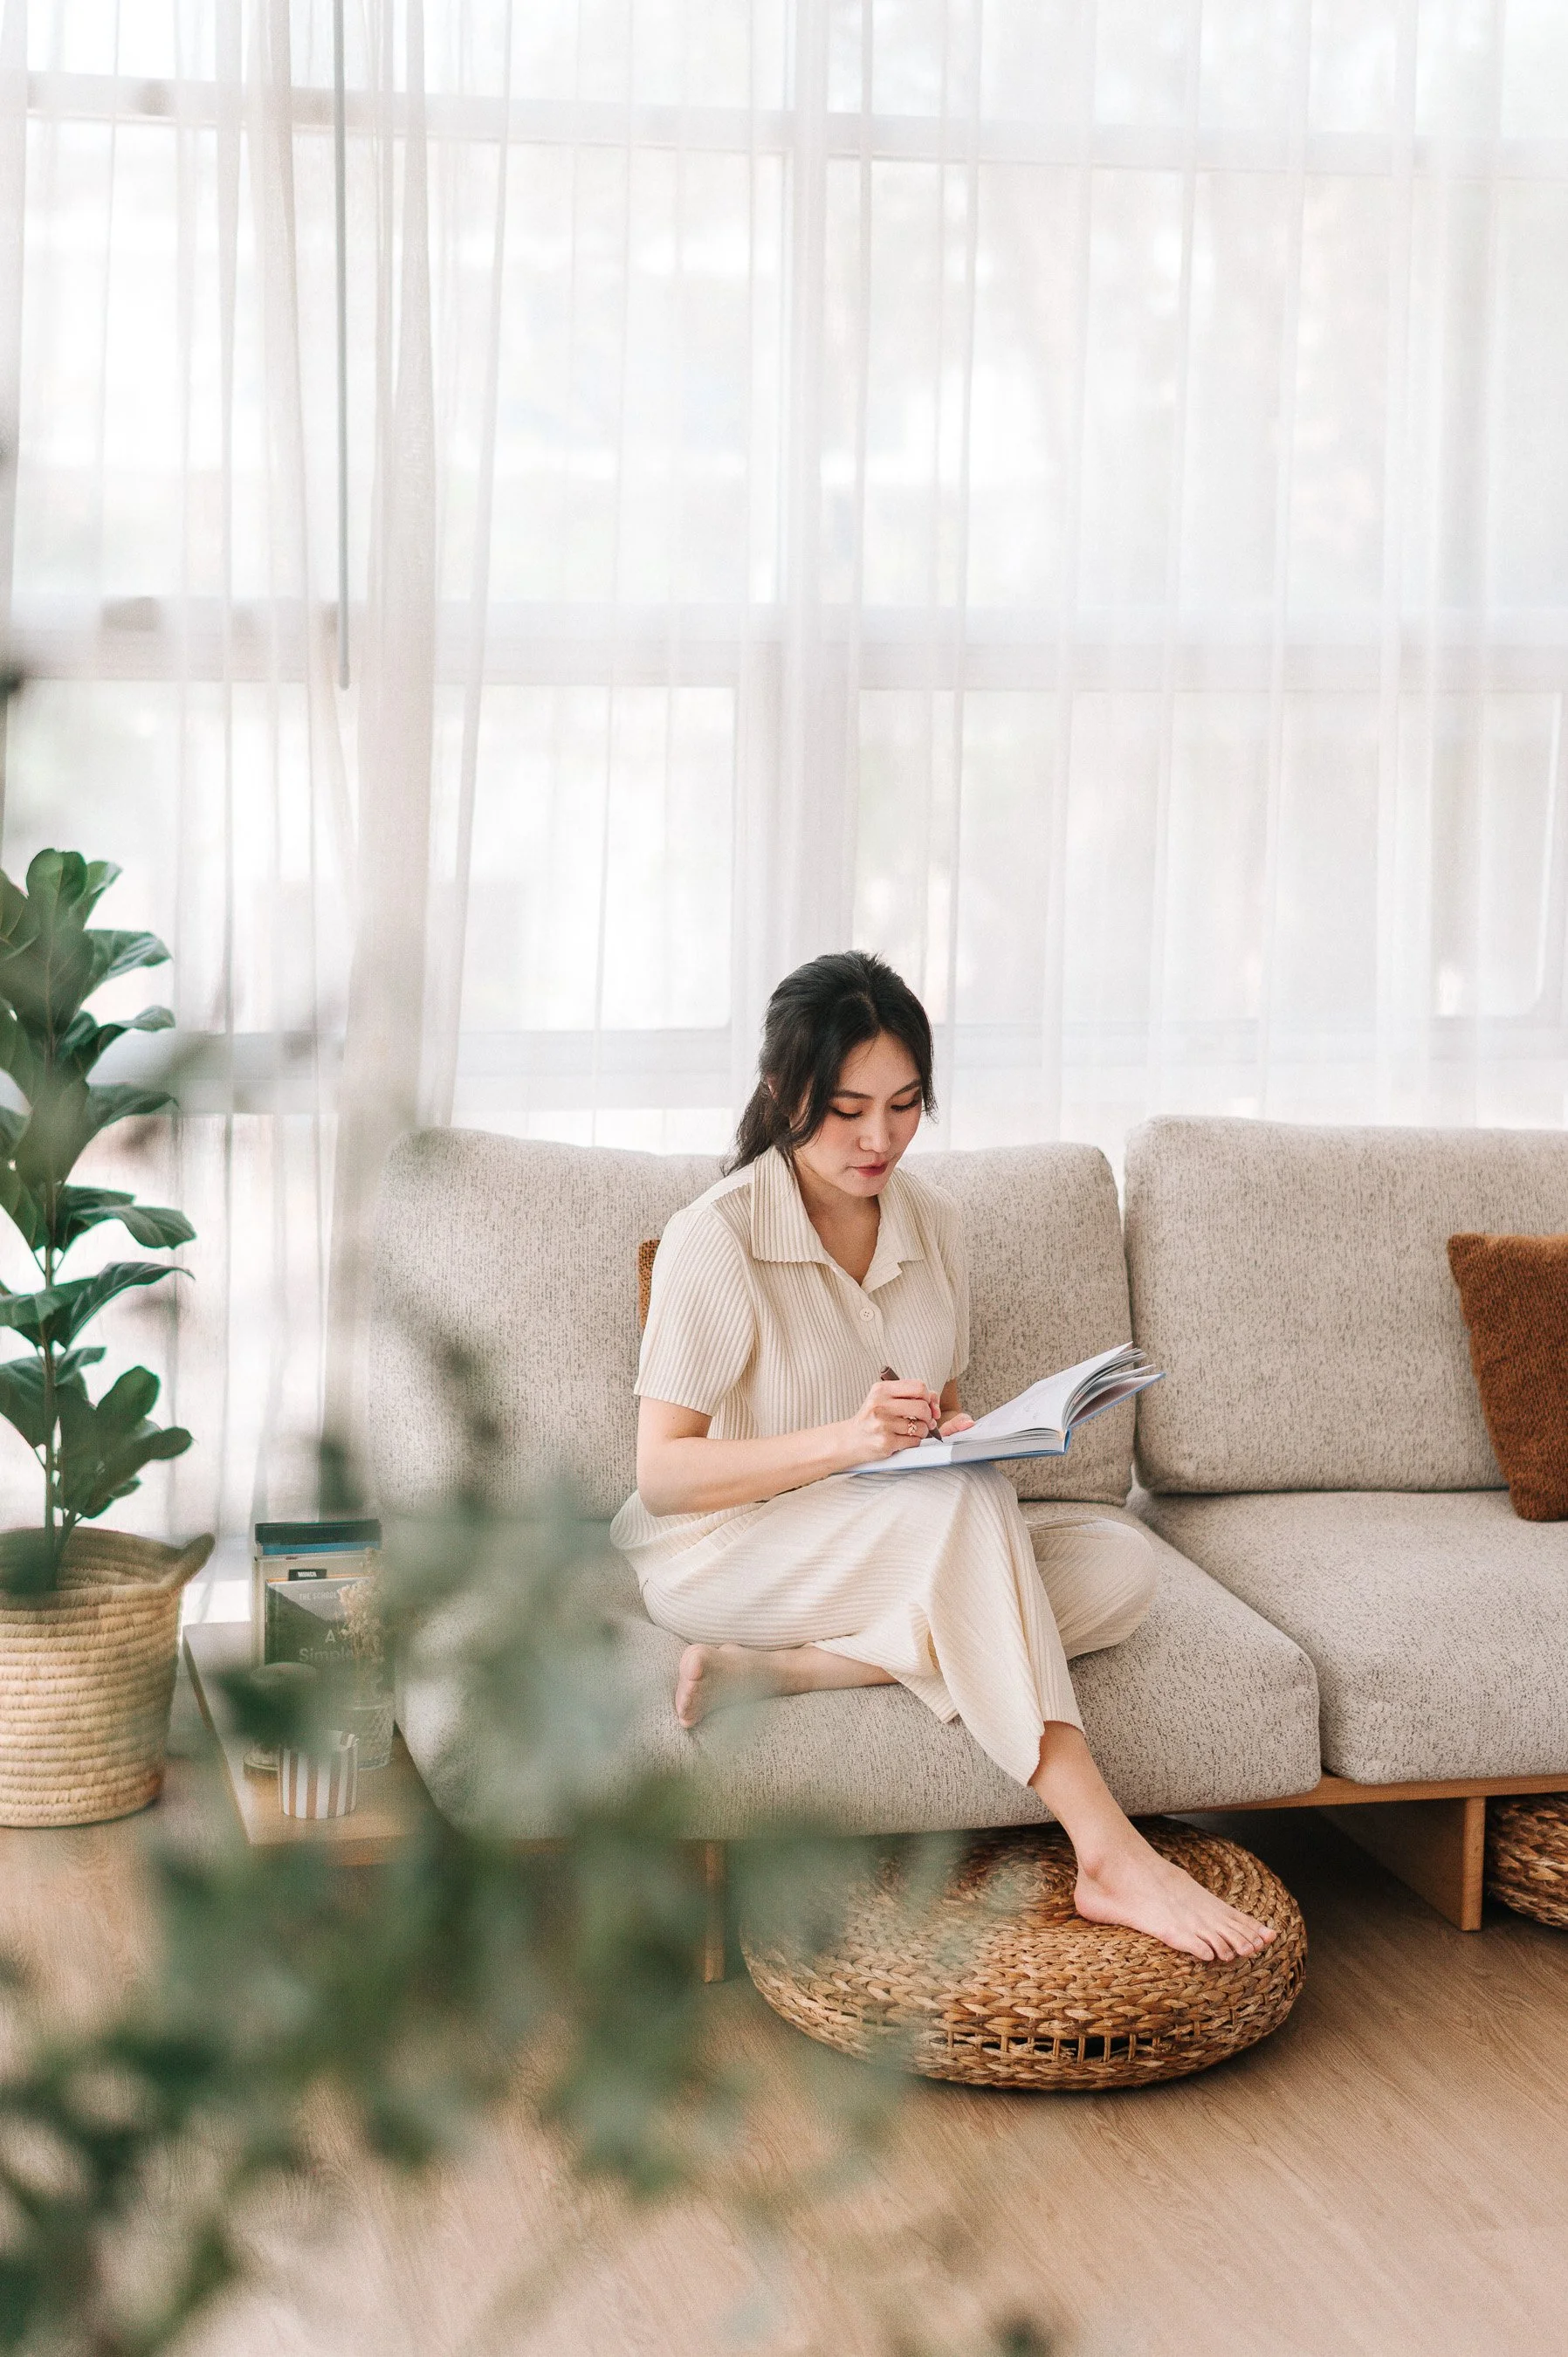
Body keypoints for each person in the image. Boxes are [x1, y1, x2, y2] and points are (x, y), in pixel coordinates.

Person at [610, 951, 1274, 1963]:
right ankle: (1108, 1852)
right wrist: (849, 1438)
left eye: (906, 1104)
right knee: (960, 1519)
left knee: (1120, 1569)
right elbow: (664, 1476)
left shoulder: (936, 1224)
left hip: (882, 1537)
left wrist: (961, 1433)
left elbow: (941, 1401)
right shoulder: (717, 1237)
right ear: (786, 1093)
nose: (880, 1138)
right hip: (721, 1550)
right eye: (846, 1109)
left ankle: (793, 1672)